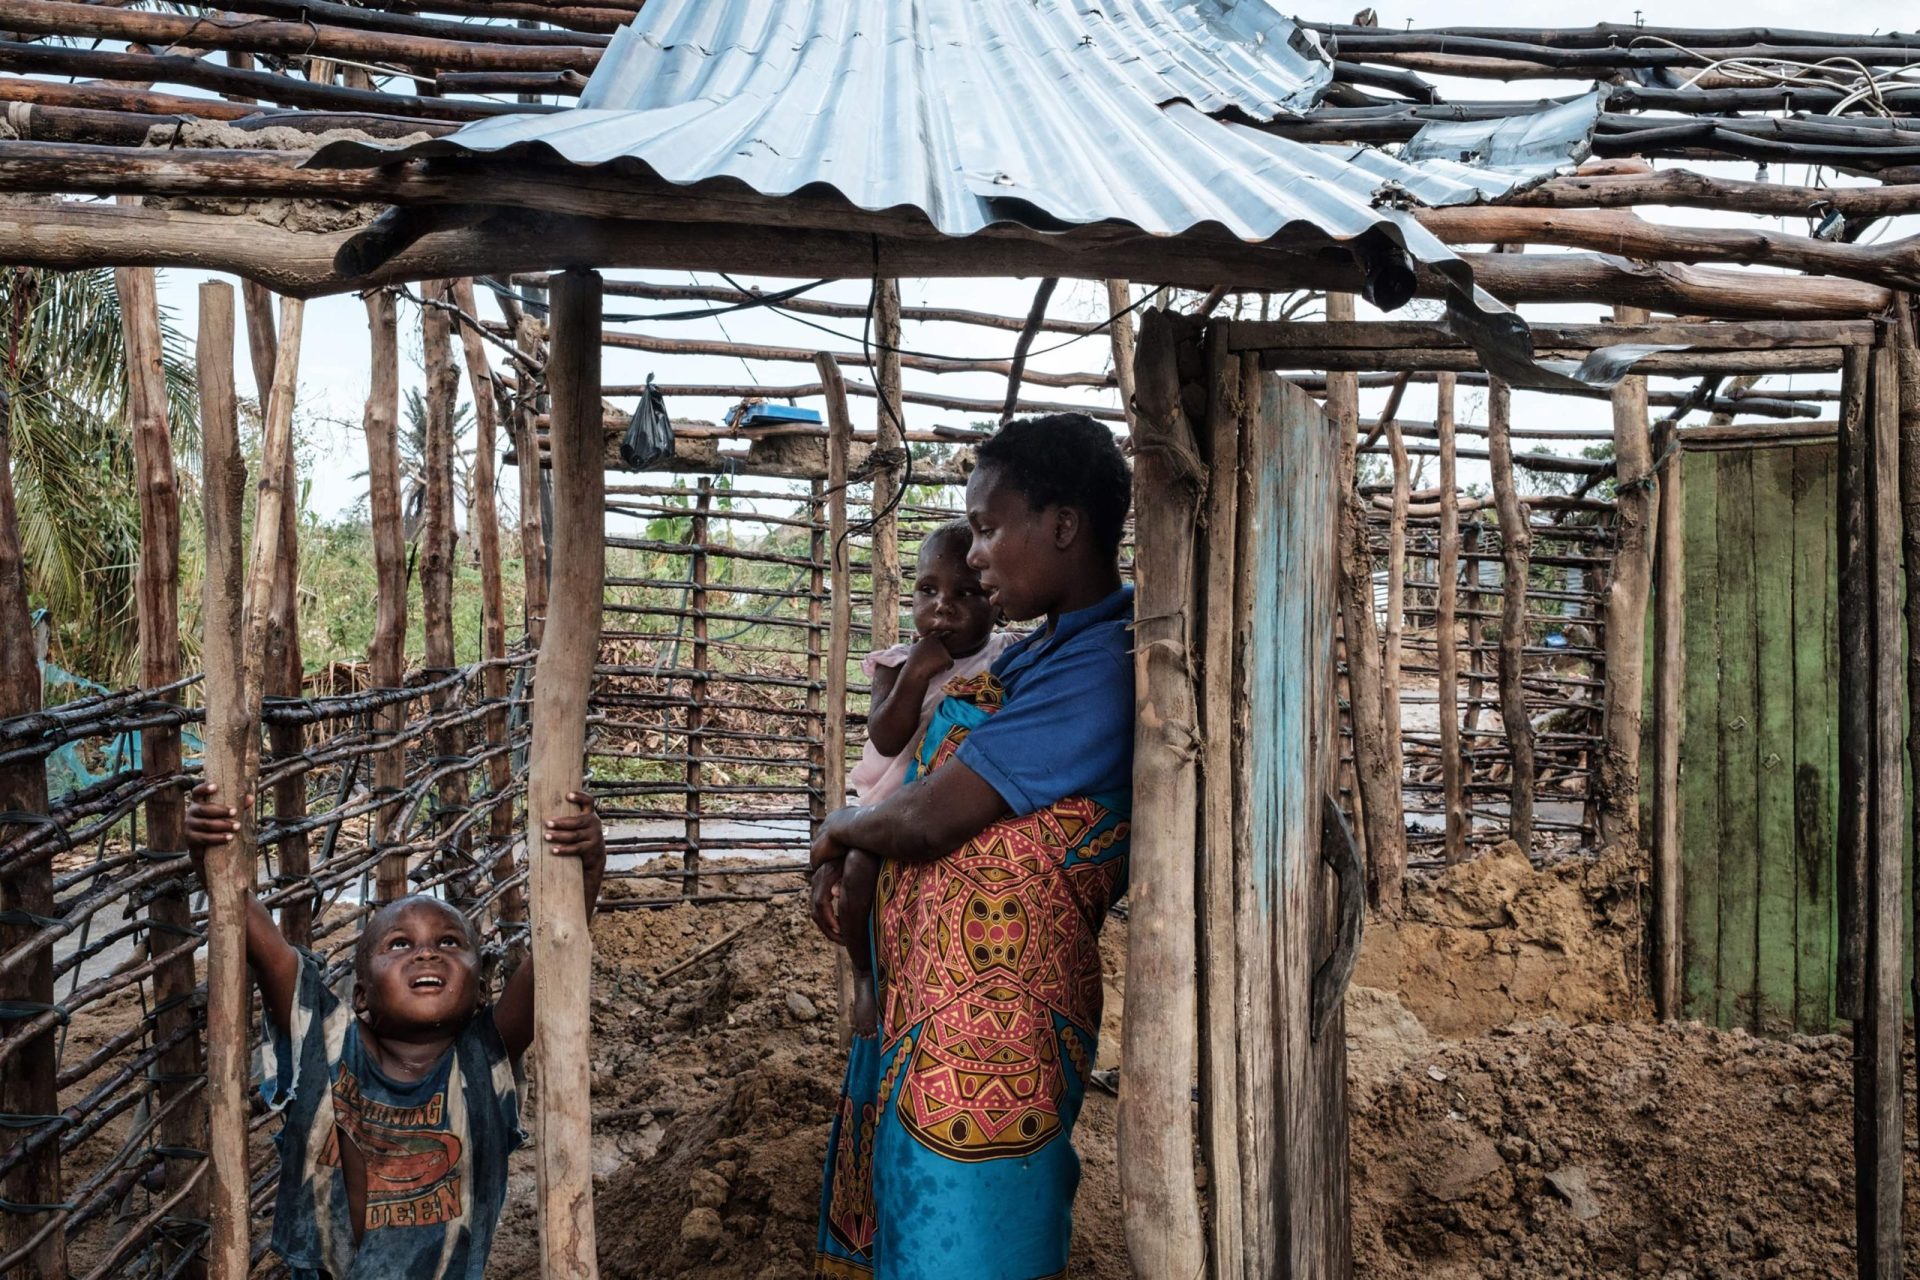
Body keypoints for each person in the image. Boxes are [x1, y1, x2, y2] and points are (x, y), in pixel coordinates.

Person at [810, 413, 1135, 1280]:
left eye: (989, 528)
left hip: (992, 1046)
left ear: (1062, 526)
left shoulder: (1100, 669)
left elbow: (928, 819)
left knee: (974, 1243)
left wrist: (840, 832)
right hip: (932, 1026)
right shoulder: (1037, 657)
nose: (976, 557)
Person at [185, 782, 606, 1280]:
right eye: (400, 945)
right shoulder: (328, 1043)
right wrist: (209, 850)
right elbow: (265, 946)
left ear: (479, 989)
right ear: (361, 995)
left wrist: (588, 866)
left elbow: (557, 950)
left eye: (450, 942)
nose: (427, 953)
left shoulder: (481, 1059)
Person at [839, 520, 1015, 1036]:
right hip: (894, 798)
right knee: (857, 871)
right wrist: (917, 673)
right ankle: (865, 976)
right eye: (928, 590)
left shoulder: (1007, 657)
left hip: (954, 798)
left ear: (996, 602)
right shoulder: (896, 663)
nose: (943, 605)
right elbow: (885, 737)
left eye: (965, 592)